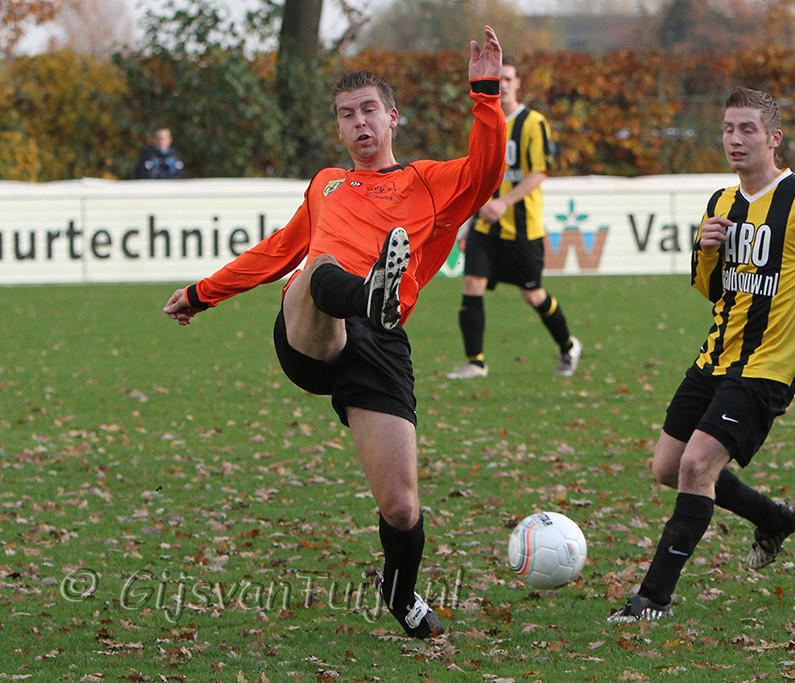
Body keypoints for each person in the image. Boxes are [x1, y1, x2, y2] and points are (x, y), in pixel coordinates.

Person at [162, 27, 506, 639]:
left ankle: (400, 591)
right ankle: (369, 292)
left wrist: (485, 94)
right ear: (340, 130)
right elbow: (280, 250)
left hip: (379, 342)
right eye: (347, 115)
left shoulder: (428, 182)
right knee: (315, 266)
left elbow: (485, 173)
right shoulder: (326, 184)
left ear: (392, 117)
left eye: (369, 109)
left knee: (401, 505)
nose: (359, 122)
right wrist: (201, 293)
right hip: (313, 330)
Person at [608, 87, 795, 622]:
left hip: (769, 366)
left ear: (773, 138)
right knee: (667, 468)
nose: (735, 139)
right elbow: (711, 290)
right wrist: (704, 250)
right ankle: (772, 518)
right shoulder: (721, 202)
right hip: (716, 356)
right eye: (728, 129)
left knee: (696, 465)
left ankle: (652, 599)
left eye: (747, 130)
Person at [447, 56, 582, 380]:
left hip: (522, 229)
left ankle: (568, 345)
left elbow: (540, 171)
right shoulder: (485, 122)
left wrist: (505, 202)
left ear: (518, 83)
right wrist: (467, 220)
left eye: (508, 79)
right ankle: (476, 362)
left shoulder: (533, 123)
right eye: (498, 80)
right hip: (485, 226)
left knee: (533, 295)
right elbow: (477, 174)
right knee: (472, 284)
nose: (503, 85)